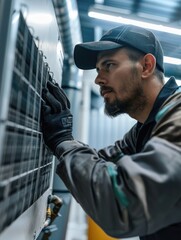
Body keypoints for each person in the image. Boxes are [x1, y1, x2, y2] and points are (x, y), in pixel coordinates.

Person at [41, 24, 181, 240]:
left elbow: (122, 206)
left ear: (146, 66)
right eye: (98, 69)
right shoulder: (143, 130)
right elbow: (99, 165)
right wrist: (63, 136)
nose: (98, 79)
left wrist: (63, 141)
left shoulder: (177, 118)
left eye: (109, 65)